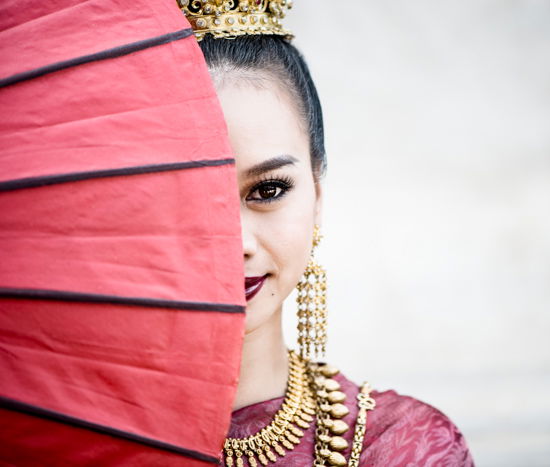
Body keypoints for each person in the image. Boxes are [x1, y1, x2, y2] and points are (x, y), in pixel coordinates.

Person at [179, 1, 475, 465]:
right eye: (193, 200)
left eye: (269, 189)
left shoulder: (404, 446)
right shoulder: (68, 441)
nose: (238, 244)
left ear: (317, 195)